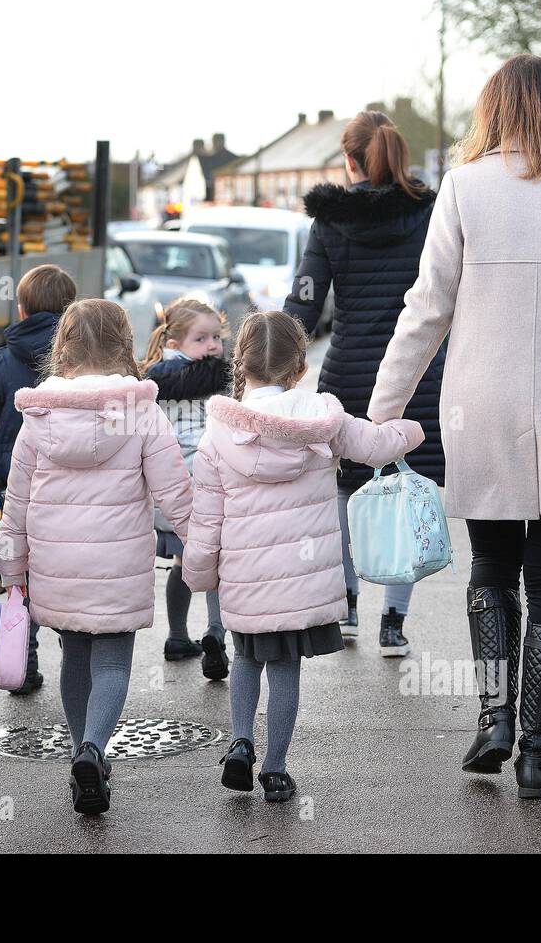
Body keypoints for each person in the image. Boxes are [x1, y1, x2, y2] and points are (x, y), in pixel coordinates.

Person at [367, 54, 541, 798]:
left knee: (492, 568)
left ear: (491, 109)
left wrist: (384, 409)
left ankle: (494, 716)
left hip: (481, 405)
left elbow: (427, 306)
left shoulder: (464, 187)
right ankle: (537, 753)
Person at [183, 312, 423, 802]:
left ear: (240, 364)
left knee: (246, 660)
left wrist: (200, 575)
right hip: (302, 580)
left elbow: (206, 523)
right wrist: (415, 430)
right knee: (286, 670)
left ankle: (240, 742)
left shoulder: (217, 436)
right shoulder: (322, 419)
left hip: (246, 580)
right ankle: (274, 770)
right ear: (299, 364)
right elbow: (377, 447)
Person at [0, 299, 193, 815]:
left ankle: (83, 756)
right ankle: (92, 750)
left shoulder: (39, 415)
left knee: (74, 655)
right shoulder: (142, 412)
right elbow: (176, 495)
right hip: (117, 563)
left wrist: (12, 570)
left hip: (56, 564)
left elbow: (15, 503)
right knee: (112, 660)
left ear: (63, 346)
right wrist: (208, 546)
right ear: (124, 346)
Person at [285, 110, 442, 655]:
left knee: (348, 488)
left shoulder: (329, 220)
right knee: (405, 491)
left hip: (350, 373)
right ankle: (393, 622)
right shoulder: (430, 214)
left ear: (349, 161)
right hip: (417, 376)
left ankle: (347, 605)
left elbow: (305, 300)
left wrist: (269, 366)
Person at [0, 264, 77, 695]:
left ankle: (23, 663)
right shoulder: (80, 361)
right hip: (71, 492)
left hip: (17, 490)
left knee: (21, 579)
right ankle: (78, 662)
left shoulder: (4, 360)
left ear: (21, 309)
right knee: (66, 576)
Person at [141, 298, 232, 678]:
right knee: (217, 562)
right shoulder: (213, 377)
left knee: (182, 562)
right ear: (176, 345)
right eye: (201, 338)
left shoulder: (151, 380)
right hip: (207, 486)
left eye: (216, 336)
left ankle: (177, 636)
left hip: (170, 492)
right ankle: (215, 632)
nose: (212, 345)